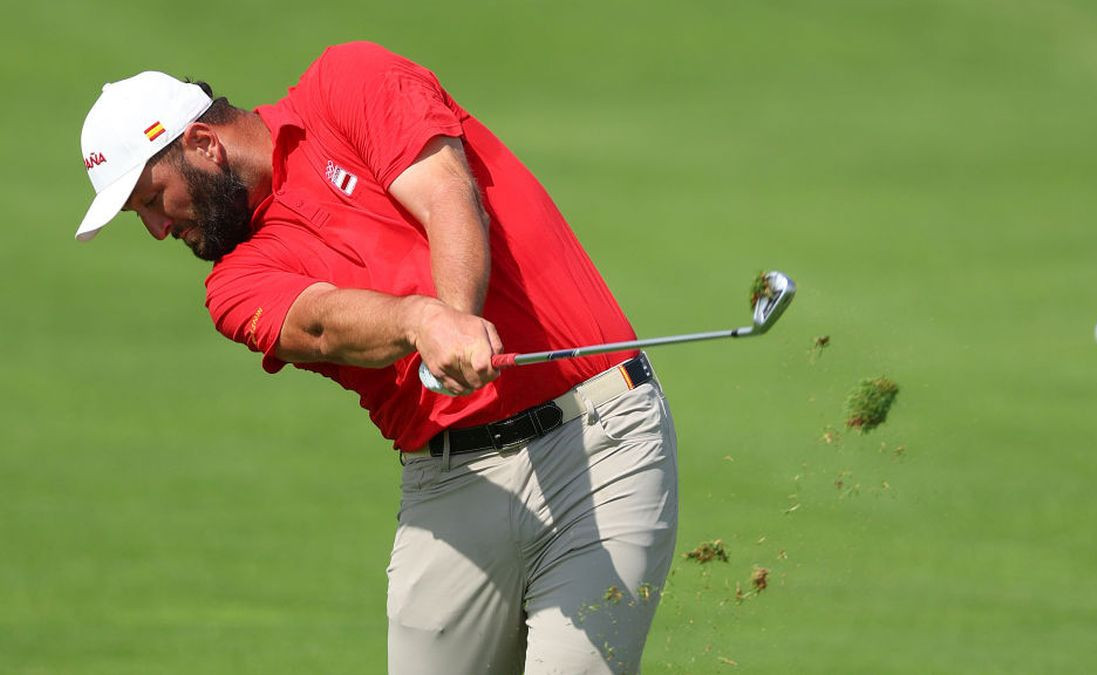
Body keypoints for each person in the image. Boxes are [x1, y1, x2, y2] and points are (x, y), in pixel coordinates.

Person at [75, 41, 678, 674]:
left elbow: (446, 192)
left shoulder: (347, 82)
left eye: (150, 199)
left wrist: (454, 315)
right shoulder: (232, 285)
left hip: (600, 437)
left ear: (202, 144)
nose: (156, 230)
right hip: (449, 485)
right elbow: (320, 322)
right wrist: (423, 322)